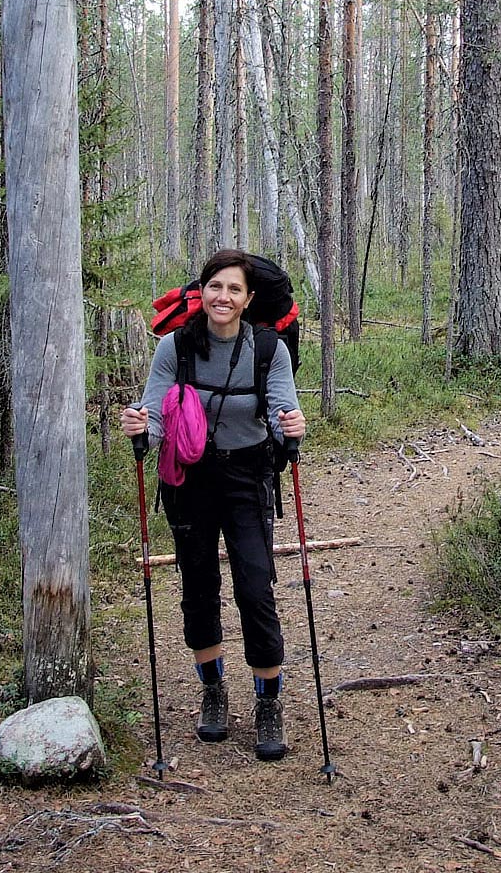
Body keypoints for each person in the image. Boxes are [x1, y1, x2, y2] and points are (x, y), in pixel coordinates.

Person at [122, 248, 306, 761]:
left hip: (248, 477)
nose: (222, 297)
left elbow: (280, 409)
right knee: (198, 588)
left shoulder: (269, 350)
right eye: (215, 287)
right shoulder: (174, 347)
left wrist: (291, 428)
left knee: (255, 588)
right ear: (201, 292)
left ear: (248, 301)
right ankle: (213, 691)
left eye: (234, 290)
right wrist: (141, 425)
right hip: (190, 478)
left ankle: (269, 701)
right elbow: (157, 413)